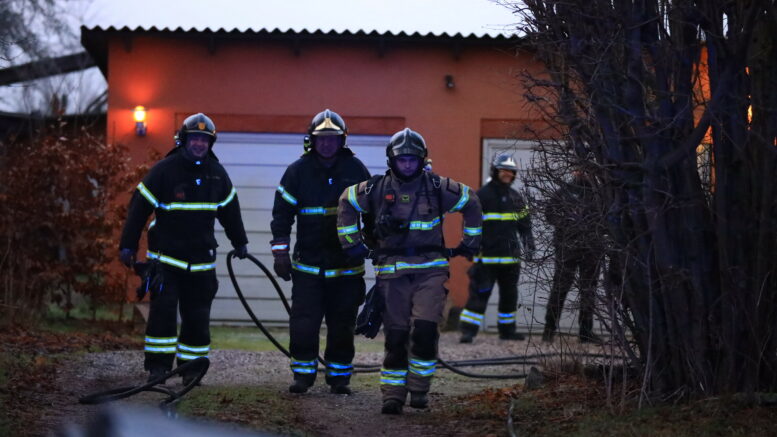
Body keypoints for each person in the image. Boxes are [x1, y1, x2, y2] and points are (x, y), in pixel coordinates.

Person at [337, 128, 482, 415]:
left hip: (430, 272)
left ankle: (419, 389)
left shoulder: (438, 187)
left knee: (425, 331)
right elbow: (347, 201)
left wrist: (470, 242)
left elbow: (472, 202)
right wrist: (352, 244)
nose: (406, 165)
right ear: (391, 160)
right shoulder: (376, 188)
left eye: (412, 159)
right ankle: (392, 395)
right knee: (396, 337)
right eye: (401, 160)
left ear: (421, 159)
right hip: (392, 274)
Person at [119, 113, 249, 385]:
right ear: (183, 140)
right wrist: (128, 245)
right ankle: (158, 369)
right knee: (163, 316)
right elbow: (138, 208)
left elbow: (231, 212)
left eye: (204, 140)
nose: (199, 144)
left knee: (197, 319)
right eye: (195, 139)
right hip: (166, 262)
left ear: (210, 143)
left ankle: (192, 370)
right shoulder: (164, 171)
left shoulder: (217, 174)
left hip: (201, 263)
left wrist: (240, 242)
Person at [270, 109, 371, 395]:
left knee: (342, 326)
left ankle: (339, 378)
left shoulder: (356, 170)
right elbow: (281, 215)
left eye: (333, 138)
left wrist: (372, 246)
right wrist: (280, 253)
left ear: (342, 141)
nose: (327, 143)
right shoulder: (297, 172)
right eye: (322, 138)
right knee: (304, 325)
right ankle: (303, 376)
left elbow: (373, 213)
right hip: (309, 268)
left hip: (347, 268)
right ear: (312, 141)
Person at [459, 154, 535, 343]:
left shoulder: (516, 198)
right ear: (495, 171)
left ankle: (507, 331)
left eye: (511, 171)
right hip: (487, 258)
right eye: (504, 170)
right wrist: (470, 246)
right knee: (479, 294)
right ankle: (468, 332)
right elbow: (470, 223)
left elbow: (525, 225)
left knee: (509, 297)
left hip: (510, 259)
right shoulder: (481, 195)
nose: (507, 174)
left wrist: (529, 244)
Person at [542, 166, 603, 343]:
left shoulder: (598, 194)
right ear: (573, 171)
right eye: (578, 169)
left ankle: (585, 331)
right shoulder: (564, 192)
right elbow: (549, 214)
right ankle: (549, 329)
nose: (582, 173)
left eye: (585, 169)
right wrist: (567, 225)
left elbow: (606, 217)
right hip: (566, 248)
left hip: (591, 249)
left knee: (589, 290)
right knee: (560, 288)